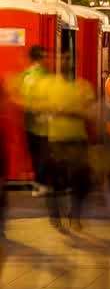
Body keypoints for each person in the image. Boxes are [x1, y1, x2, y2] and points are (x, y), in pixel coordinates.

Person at [33, 51, 96, 232]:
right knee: (55, 182)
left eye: (70, 60)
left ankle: (75, 217)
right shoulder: (48, 85)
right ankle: (55, 216)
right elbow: (38, 111)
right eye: (64, 60)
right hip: (55, 141)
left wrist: (70, 112)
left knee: (81, 183)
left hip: (78, 141)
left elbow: (91, 114)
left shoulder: (83, 87)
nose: (67, 63)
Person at [20, 47, 52, 198]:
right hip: (43, 121)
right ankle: (42, 184)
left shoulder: (25, 75)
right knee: (43, 154)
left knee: (34, 153)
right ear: (40, 58)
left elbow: (22, 96)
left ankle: (37, 183)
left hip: (29, 120)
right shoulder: (45, 74)